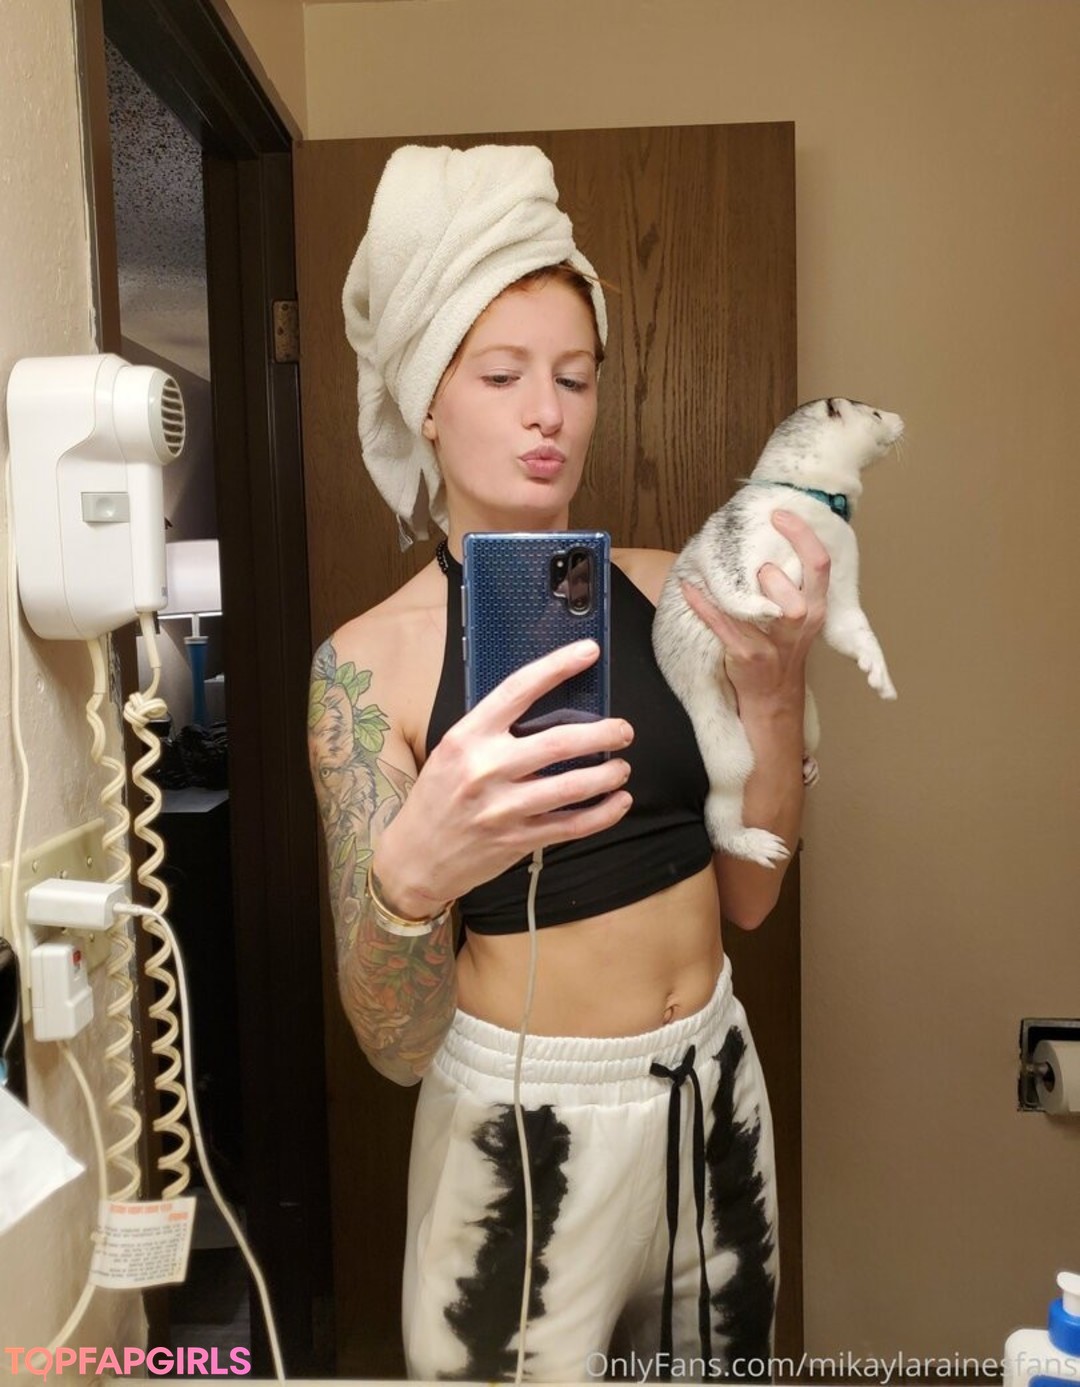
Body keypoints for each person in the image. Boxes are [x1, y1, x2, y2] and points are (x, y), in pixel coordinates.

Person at [307, 144, 828, 1382]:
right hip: (519, 1135)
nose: (548, 410)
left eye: (575, 376)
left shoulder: (676, 595)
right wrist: (416, 873)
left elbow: (752, 895)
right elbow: (392, 1040)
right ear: (427, 398)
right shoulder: (367, 667)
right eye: (501, 374)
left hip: (714, 1089)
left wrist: (775, 688)